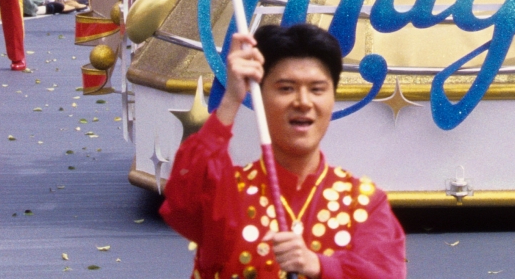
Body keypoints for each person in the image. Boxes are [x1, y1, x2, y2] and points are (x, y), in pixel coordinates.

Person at [162, 22, 405, 278]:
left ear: (333, 98)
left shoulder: (364, 205)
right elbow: (183, 201)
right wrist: (232, 98)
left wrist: (320, 266)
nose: (302, 102)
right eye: (286, 88)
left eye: (317, 89)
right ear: (260, 97)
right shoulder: (228, 193)